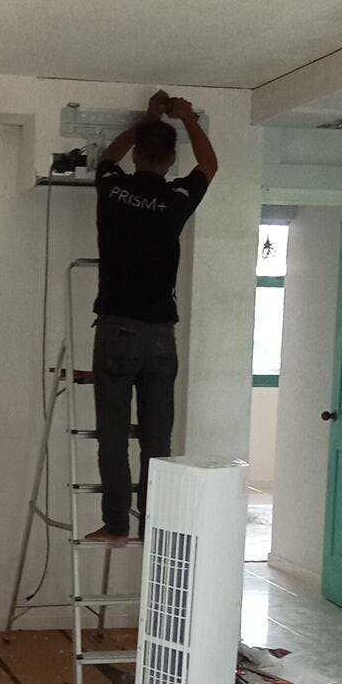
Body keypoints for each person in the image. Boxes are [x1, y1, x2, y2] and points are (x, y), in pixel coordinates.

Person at [85, 91, 218, 547]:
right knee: (157, 442)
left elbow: (109, 157)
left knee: (112, 436)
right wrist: (187, 119)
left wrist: (148, 118)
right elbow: (209, 166)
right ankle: (155, 527)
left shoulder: (113, 188)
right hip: (161, 334)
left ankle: (116, 525)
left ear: (139, 154)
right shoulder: (176, 197)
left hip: (117, 329)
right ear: (171, 160)